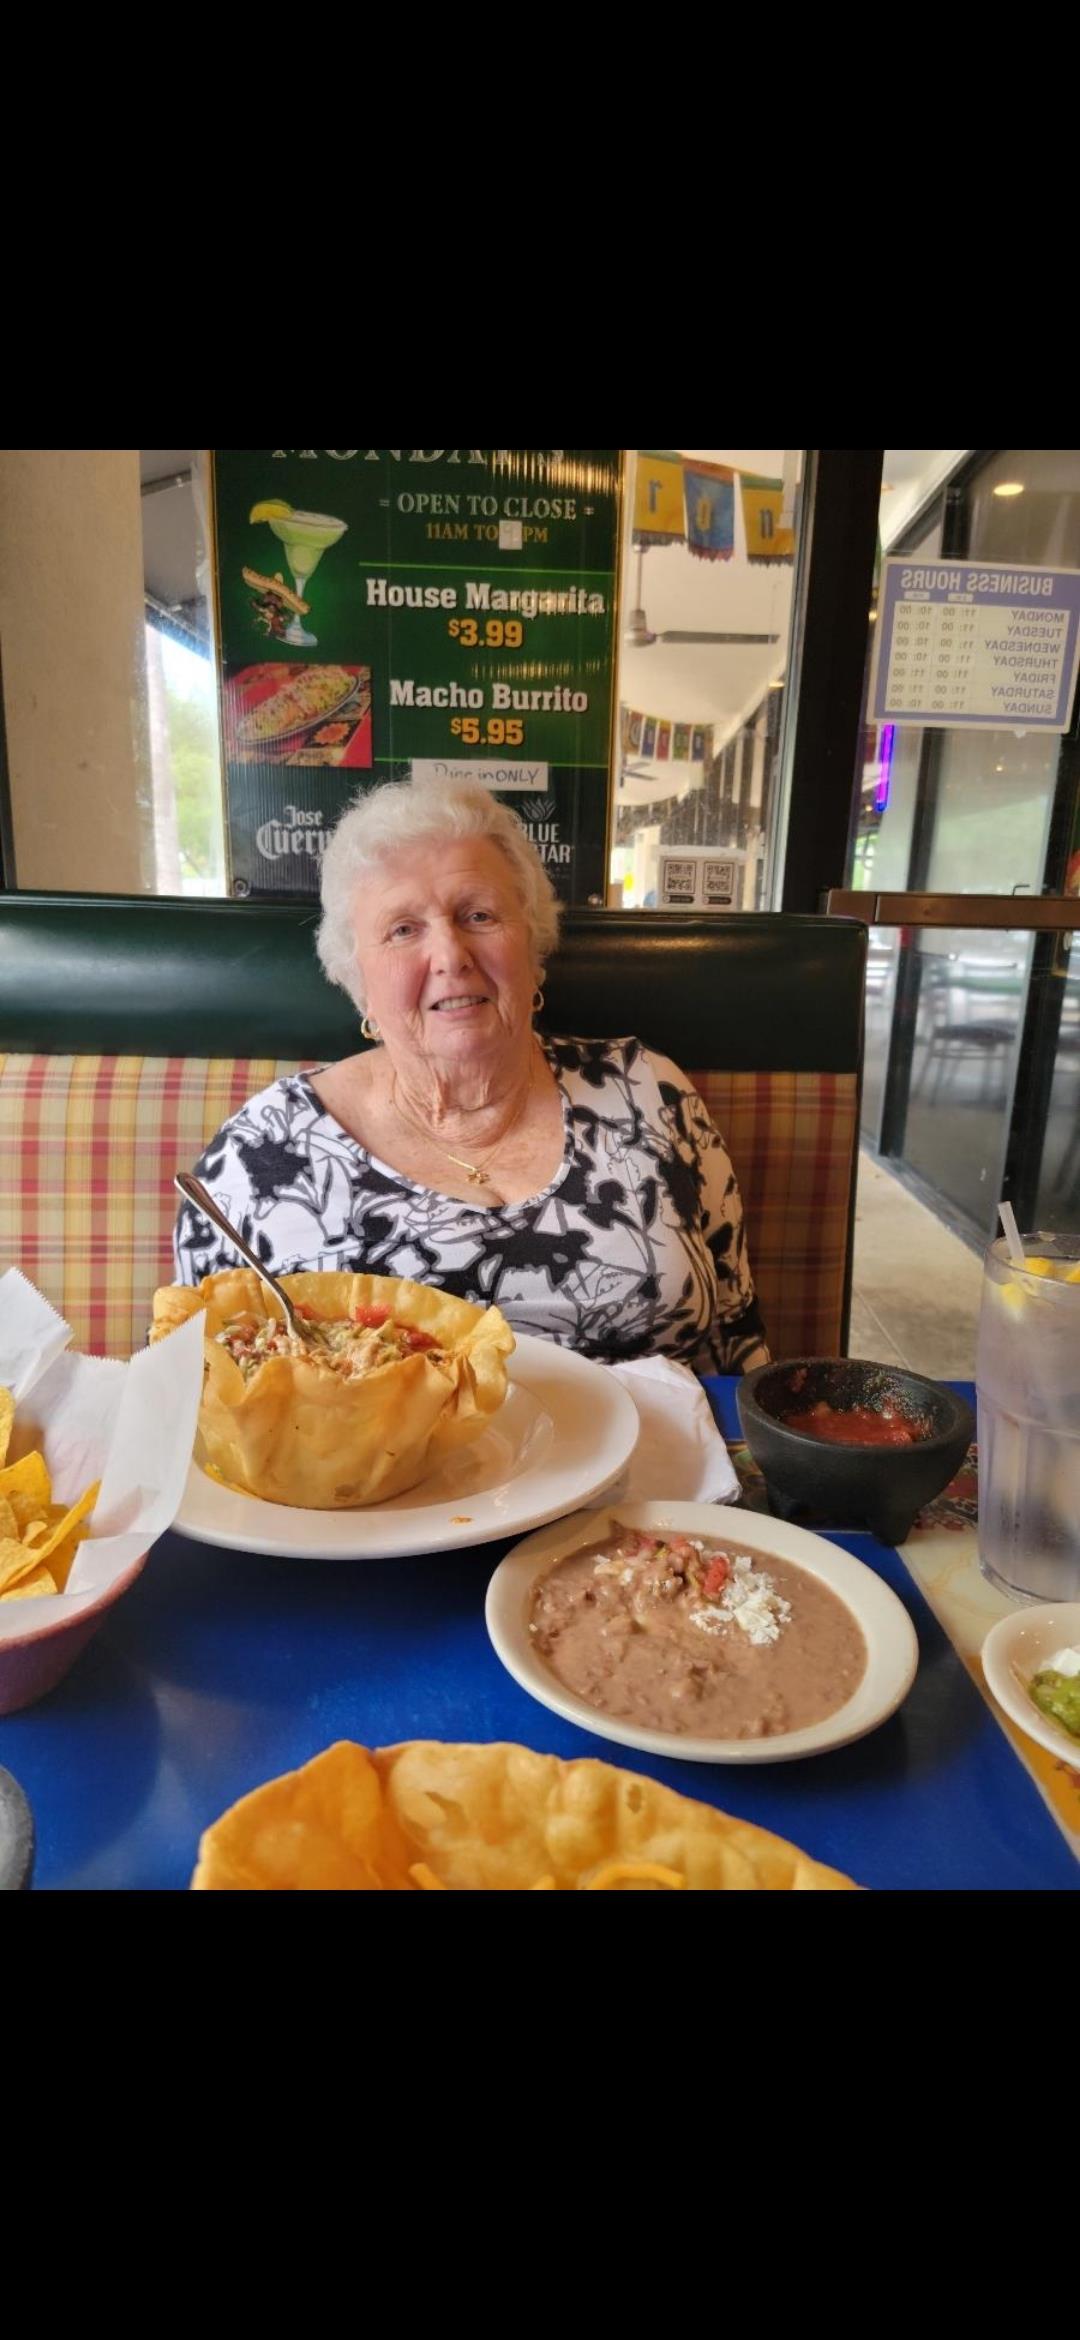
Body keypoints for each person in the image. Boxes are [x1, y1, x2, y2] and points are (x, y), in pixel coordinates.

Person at [173, 775, 769, 1372]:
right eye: (404, 929)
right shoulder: (262, 1153)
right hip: (380, 1465)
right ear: (359, 985)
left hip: (656, 1457)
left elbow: (738, 1335)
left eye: (478, 915)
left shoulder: (649, 1091)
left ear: (532, 950)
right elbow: (196, 1388)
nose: (451, 955)